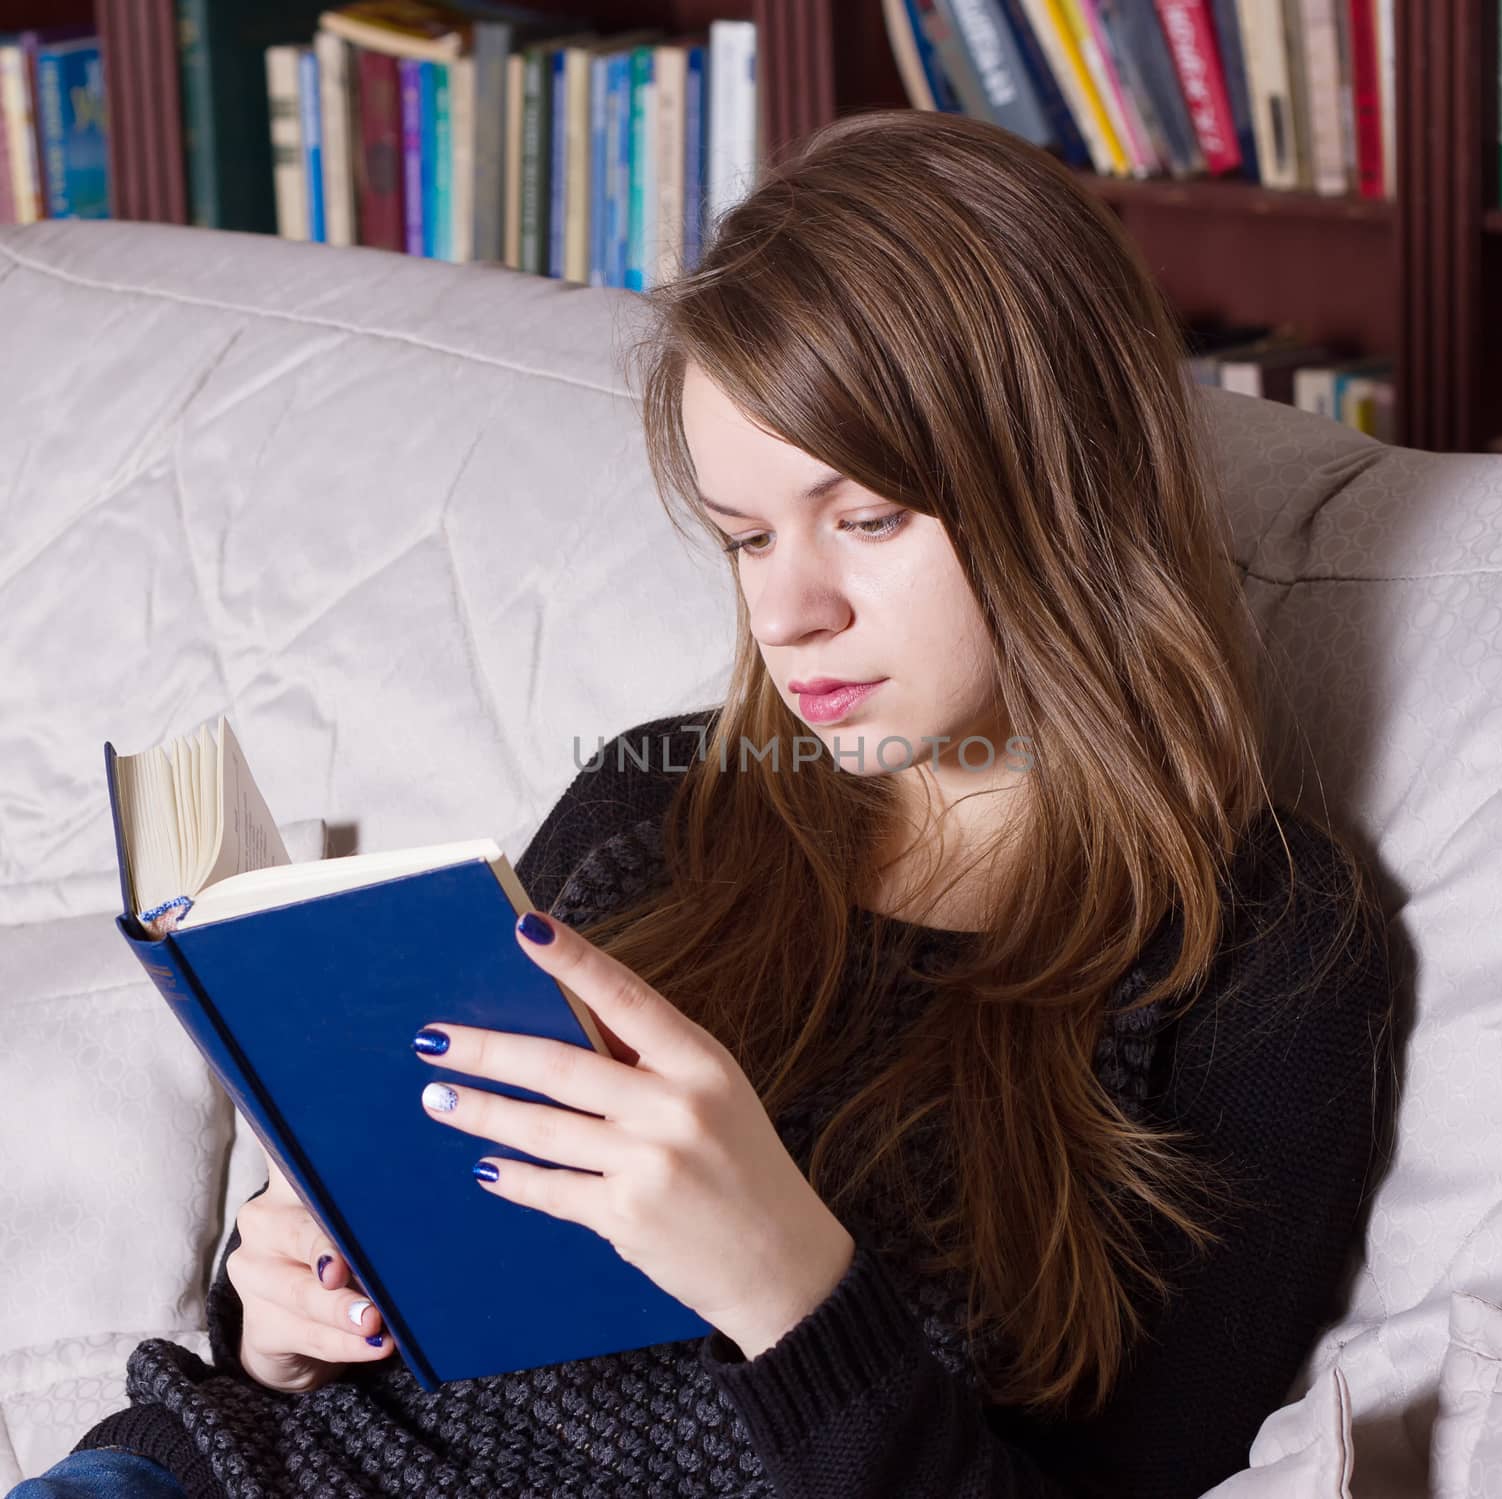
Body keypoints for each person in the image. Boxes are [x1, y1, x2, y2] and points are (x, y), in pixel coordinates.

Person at [14, 106, 1394, 1499]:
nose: (789, 614)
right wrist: (280, 1316)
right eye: (745, 539)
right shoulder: (652, 799)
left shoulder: (1264, 956)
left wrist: (791, 1287)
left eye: (866, 519)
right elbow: (389, 1273)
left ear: (1063, 484)